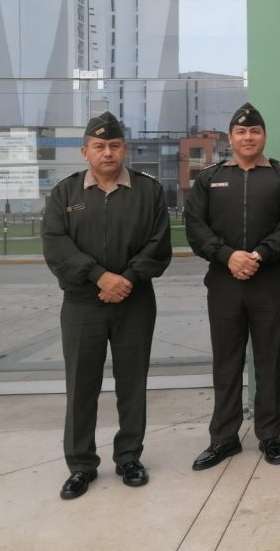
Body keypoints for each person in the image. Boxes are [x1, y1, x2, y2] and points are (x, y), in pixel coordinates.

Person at [42, 111, 172, 500]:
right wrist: (99, 276)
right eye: (99, 146)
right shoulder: (65, 193)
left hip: (135, 301)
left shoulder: (149, 192)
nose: (108, 152)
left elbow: (158, 245)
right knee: (81, 385)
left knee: (132, 383)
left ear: (124, 149)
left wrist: (125, 279)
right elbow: (56, 245)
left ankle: (129, 457)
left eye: (114, 145)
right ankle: (81, 464)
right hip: (82, 303)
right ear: (85, 152)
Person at [185, 103, 280, 471]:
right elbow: (195, 227)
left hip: (268, 282)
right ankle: (224, 438)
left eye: (254, 131)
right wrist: (228, 256)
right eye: (241, 132)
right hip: (224, 284)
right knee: (227, 362)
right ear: (231, 137)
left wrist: (258, 255)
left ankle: (269, 435)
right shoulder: (210, 179)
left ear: (264, 136)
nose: (248, 137)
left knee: (268, 361)